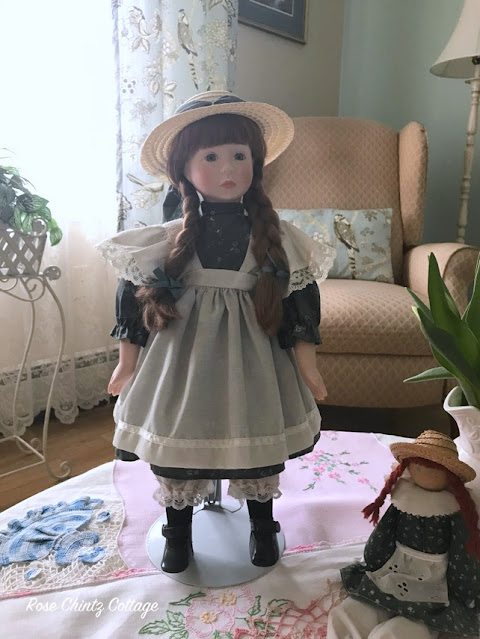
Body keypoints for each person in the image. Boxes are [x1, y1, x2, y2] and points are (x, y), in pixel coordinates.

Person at [97, 90, 335, 574]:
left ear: (255, 164)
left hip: (254, 359)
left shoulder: (276, 238)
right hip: (180, 362)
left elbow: (299, 301)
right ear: (184, 169)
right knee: (177, 443)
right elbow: (133, 297)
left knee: (258, 440)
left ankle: (262, 523)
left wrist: (308, 367)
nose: (228, 167)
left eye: (239, 155)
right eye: (210, 156)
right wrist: (127, 362)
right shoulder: (166, 239)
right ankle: (178, 531)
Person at [327, 430, 480, 639]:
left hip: (433, 584)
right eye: (418, 467)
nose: (423, 472)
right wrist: (374, 561)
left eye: (433, 471)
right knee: (349, 613)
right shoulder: (403, 499)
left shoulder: (452, 510)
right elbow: (384, 534)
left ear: (450, 477)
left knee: (399, 632)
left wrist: (464, 588)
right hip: (394, 571)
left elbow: (462, 552)